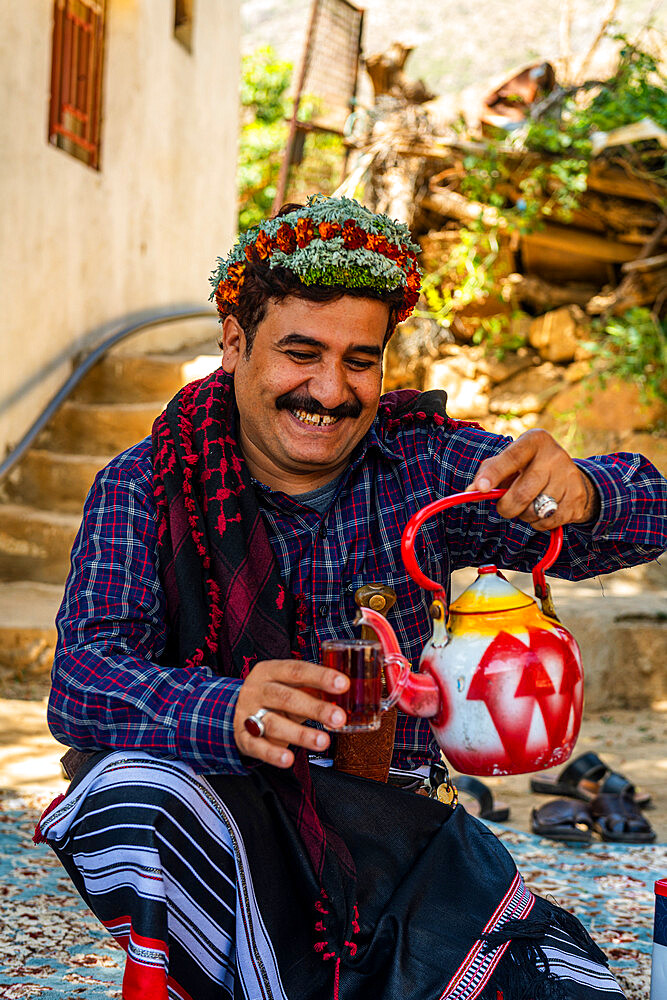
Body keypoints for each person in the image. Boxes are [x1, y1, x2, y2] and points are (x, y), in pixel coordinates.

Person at [36, 196, 666, 1000]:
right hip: (220, 823)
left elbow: (640, 522)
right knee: (136, 795)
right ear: (234, 343)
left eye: (359, 360)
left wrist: (582, 490)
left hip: (395, 838)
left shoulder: (422, 467)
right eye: (300, 353)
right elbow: (84, 680)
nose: (330, 392)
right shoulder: (145, 484)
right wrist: (223, 709)